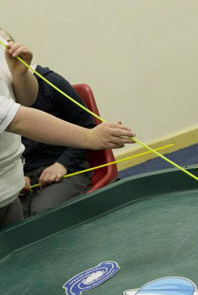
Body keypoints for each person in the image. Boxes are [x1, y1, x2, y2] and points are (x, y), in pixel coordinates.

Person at [0, 29, 135, 229]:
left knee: (41, 218)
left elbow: (26, 103)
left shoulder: (48, 80)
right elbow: (17, 119)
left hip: (61, 171)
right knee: (24, 230)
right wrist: (19, 175)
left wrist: (62, 164)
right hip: (20, 179)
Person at [19, 65, 96, 218]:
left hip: (66, 169)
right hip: (21, 177)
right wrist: (14, 176)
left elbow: (88, 128)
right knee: (14, 221)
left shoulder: (51, 82)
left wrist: (62, 164)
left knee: (42, 215)